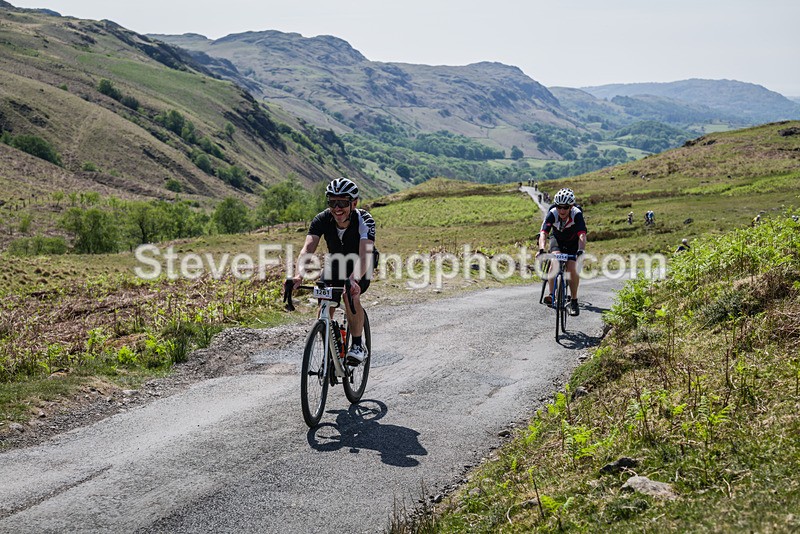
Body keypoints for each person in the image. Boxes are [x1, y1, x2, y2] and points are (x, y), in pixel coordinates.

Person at [291, 178, 377, 365]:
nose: (337, 208)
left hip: (361, 263)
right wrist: (299, 275)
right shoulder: (322, 219)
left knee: (350, 294)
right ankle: (329, 346)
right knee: (324, 297)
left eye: (342, 203)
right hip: (336, 263)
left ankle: (357, 344)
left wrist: (353, 279)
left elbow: (365, 255)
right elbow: (307, 250)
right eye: (332, 202)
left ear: (354, 203)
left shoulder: (365, 220)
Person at [536, 188, 587, 316]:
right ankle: (551, 294)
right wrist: (541, 250)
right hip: (557, 240)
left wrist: (581, 250)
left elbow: (582, 235)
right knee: (554, 261)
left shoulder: (576, 214)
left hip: (572, 242)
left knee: (572, 267)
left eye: (565, 207)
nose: (562, 210)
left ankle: (574, 301)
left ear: (571, 206)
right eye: (559, 207)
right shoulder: (552, 213)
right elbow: (543, 233)